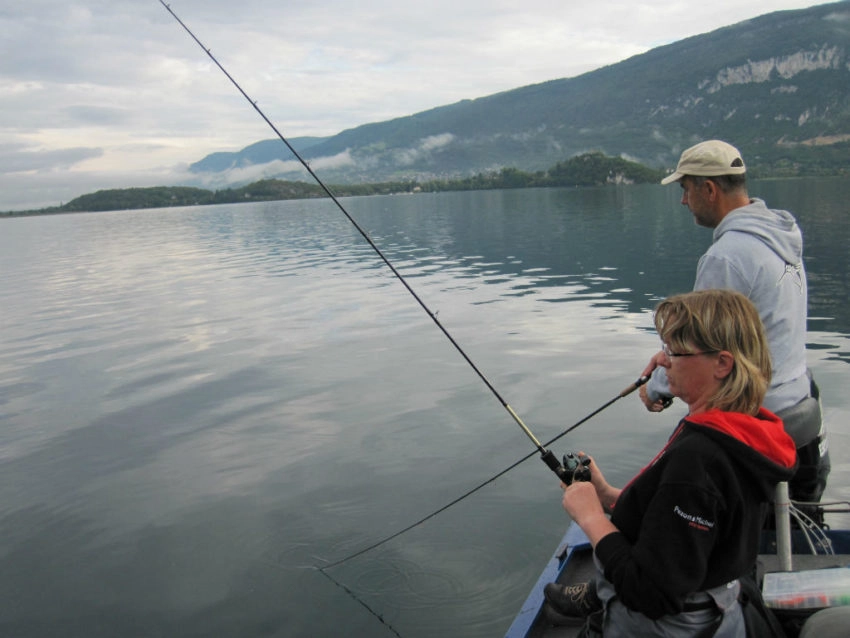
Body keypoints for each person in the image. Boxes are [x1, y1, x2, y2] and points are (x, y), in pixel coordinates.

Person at [545, 289, 798, 636]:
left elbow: (652, 592)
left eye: (674, 351)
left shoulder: (701, 457)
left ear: (722, 364)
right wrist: (605, 495)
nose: (661, 361)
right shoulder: (739, 430)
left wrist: (590, 517)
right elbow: (680, 526)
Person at [640, 139, 829, 506]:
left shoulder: (727, 256)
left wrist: (658, 387)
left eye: (685, 189)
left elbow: (697, 346)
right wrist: (668, 358)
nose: (683, 201)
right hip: (803, 408)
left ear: (708, 190)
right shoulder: (782, 236)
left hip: (761, 418)